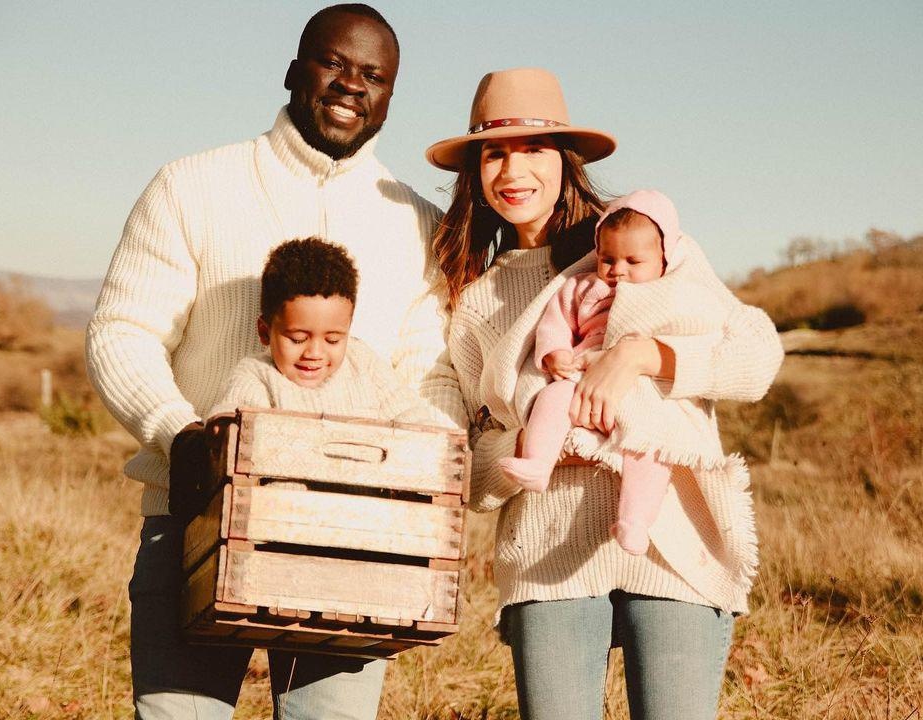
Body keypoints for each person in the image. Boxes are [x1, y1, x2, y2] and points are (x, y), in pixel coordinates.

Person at [86, 4, 464, 718]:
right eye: (333, 63)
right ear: (295, 70)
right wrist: (181, 436)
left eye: (373, 74)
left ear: (389, 95)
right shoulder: (190, 186)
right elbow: (122, 331)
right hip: (194, 518)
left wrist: (414, 475)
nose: (351, 84)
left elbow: (432, 372)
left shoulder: (420, 226)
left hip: (356, 537)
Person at [427, 67, 784, 719]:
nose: (514, 169)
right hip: (546, 550)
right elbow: (472, 470)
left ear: (566, 160)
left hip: (672, 539)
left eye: (533, 148)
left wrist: (643, 354)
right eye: (495, 151)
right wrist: (544, 444)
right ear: (474, 170)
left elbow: (757, 356)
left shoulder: (642, 246)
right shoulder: (477, 304)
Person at [498, 189, 735, 556]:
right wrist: (553, 354)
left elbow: (698, 329)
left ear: (664, 259)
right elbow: (555, 322)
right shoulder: (582, 287)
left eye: (632, 261)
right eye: (607, 258)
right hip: (583, 371)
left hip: (645, 390)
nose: (617, 270)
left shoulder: (671, 293)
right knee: (551, 398)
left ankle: (634, 520)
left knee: (650, 446)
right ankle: (538, 463)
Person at [206, 237, 430, 424]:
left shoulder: (362, 361)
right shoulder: (257, 375)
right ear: (265, 332)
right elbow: (231, 422)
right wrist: (223, 425)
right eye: (298, 339)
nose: (314, 353)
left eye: (332, 340)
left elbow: (410, 412)